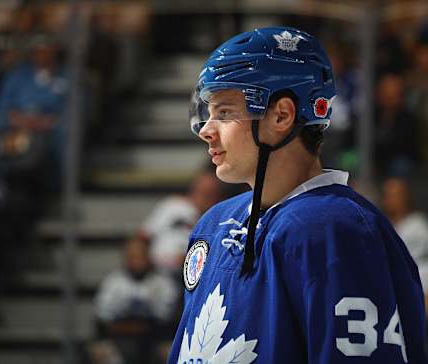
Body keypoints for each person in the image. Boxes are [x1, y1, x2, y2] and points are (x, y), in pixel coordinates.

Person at [168, 27, 427, 364]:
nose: (206, 130)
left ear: (281, 115)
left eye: (225, 113)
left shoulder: (334, 228)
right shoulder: (214, 224)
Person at [381, 177, 428, 293]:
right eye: (388, 196)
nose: (391, 200)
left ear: (406, 197)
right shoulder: (378, 223)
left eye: (395, 195)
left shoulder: (418, 224)